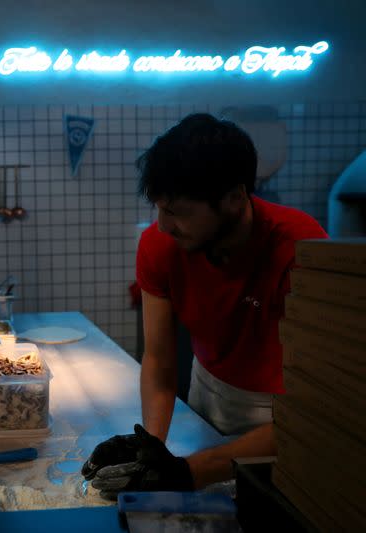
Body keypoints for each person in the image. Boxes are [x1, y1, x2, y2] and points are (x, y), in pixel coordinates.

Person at [81, 114, 327, 499]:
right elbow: (160, 361)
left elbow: (314, 406)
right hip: (206, 388)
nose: (163, 225)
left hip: (278, 412)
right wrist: (153, 448)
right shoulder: (160, 245)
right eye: (159, 208)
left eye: (177, 211)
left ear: (233, 198)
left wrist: (191, 470)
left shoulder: (299, 247)